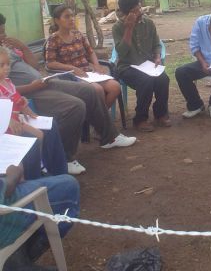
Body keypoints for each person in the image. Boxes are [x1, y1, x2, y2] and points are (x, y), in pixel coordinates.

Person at [0, 13, 136, 176]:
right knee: (75, 106)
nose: (3, 36)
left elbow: (35, 66)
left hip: (43, 82)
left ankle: (110, 138)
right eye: (0, 33)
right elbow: (9, 93)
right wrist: (31, 86)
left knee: (89, 90)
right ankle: (65, 157)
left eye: (4, 32)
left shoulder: (6, 49)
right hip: (29, 93)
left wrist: (22, 47)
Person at [0, 46, 67, 177]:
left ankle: (57, 169)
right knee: (38, 135)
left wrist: (24, 105)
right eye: (1, 65)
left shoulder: (7, 82)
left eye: (8, 64)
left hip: (18, 119)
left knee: (51, 125)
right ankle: (40, 166)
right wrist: (9, 120)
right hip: (9, 124)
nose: (6, 68)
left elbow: (18, 100)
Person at [1, 164, 79, 271]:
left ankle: (16, 259)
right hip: (6, 211)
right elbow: (7, 188)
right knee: (69, 185)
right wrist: (13, 174)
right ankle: (16, 263)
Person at [112, 0, 170, 132]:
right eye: (136, 10)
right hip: (127, 66)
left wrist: (156, 56)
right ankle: (140, 119)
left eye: (140, 7)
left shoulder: (148, 23)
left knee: (163, 79)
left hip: (147, 65)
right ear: (127, 13)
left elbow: (156, 44)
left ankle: (160, 114)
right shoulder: (118, 27)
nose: (141, 11)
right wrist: (129, 28)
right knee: (146, 81)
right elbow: (122, 52)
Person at [45, 4, 121, 109]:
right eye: (67, 17)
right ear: (57, 21)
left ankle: (99, 118)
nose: (71, 19)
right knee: (97, 90)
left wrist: (96, 65)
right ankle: (101, 120)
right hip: (70, 77)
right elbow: (50, 63)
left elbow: (90, 52)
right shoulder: (53, 39)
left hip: (87, 73)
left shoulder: (78, 35)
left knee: (115, 87)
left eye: (72, 16)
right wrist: (72, 68)